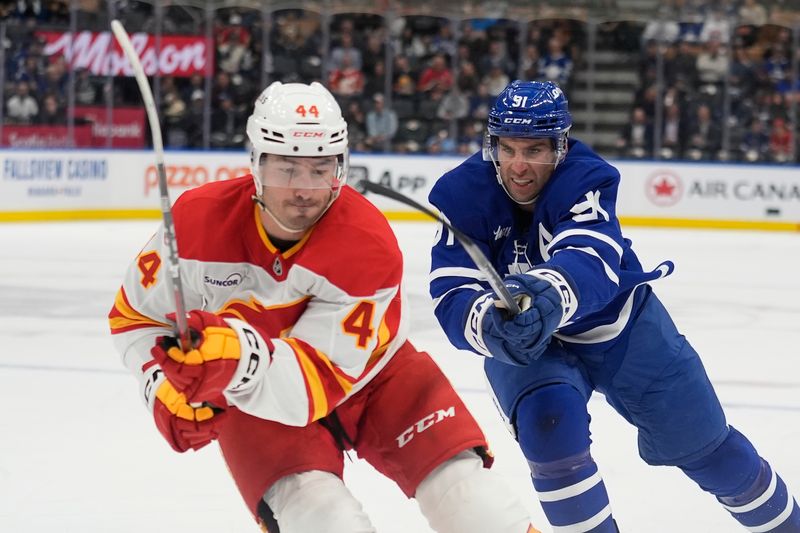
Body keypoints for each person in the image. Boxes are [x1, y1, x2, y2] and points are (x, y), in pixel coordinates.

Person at [108, 81, 537, 533]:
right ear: (256, 163)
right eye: (286, 170)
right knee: (324, 521)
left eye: (320, 170)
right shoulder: (196, 222)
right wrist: (160, 386)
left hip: (377, 375)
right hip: (254, 400)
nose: (305, 191)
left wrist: (236, 357)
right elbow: (136, 317)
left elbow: (314, 384)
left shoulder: (366, 243)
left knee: (473, 505)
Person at [427, 79, 800, 532]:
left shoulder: (586, 177)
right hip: (528, 344)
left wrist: (547, 293)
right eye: (507, 149)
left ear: (561, 148)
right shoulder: (462, 193)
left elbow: (589, 255)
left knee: (709, 449)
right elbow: (452, 290)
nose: (519, 166)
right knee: (551, 430)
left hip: (621, 328)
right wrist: (488, 325)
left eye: (535, 151)